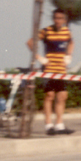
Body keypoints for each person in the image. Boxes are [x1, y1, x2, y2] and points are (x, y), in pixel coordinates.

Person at [26, 8, 75, 136]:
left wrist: (69, 55)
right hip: (49, 69)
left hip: (61, 70)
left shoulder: (66, 31)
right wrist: (38, 58)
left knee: (62, 96)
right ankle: (49, 125)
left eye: (60, 18)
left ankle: (59, 125)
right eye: (55, 18)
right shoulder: (46, 31)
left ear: (64, 20)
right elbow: (30, 42)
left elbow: (71, 43)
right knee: (49, 96)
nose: (57, 20)